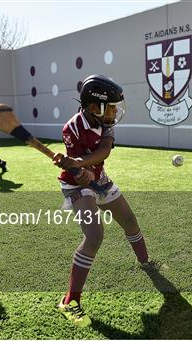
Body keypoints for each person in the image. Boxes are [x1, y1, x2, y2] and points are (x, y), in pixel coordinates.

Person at [52, 75, 161, 327]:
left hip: (99, 178)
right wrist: (78, 169)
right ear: (93, 106)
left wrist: (82, 164)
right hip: (75, 185)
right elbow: (78, 172)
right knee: (94, 235)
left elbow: (104, 151)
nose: (114, 112)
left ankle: (144, 262)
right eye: (110, 106)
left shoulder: (106, 123)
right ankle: (69, 301)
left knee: (129, 220)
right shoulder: (72, 127)